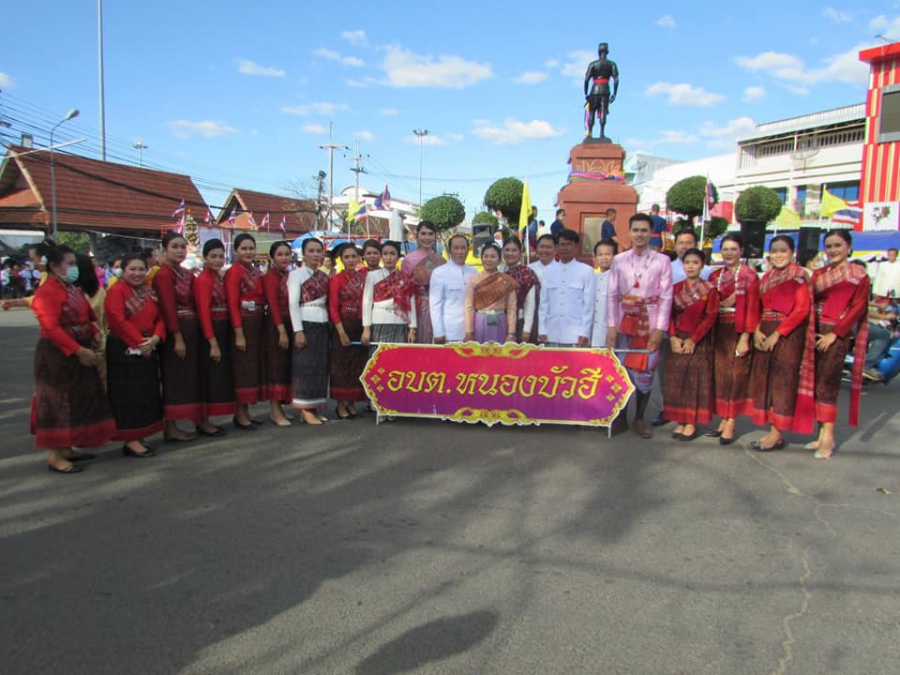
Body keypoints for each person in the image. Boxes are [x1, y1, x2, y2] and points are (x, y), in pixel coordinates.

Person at [30, 242, 116, 473]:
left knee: (76, 399)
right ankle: (54, 455)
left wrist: (95, 335)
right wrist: (78, 350)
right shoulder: (47, 291)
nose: (74, 267)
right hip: (57, 355)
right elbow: (51, 327)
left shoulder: (72, 289)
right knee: (56, 402)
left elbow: (88, 317)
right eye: (70, 264)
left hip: (80, 349)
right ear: (56, 267)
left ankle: (66, 447)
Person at [606, 215, 673, 438]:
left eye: (644, 230)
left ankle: (639, 418)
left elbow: (666, 297)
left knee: (645, 371)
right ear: (630, 232)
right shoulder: (619, 260)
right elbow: (611, 295)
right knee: (622, 370)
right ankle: (622, 417)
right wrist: (611, 326)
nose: (639, 234)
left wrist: (660, 329)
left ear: (651, 232)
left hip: (650, 324)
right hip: (625, 322)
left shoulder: (662, 261)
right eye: (635, 230)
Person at [746, 236, 815, 452]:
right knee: (765, 380)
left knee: (783, 382)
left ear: (792, 252)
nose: (778, 255)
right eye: (774, 251)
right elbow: (755, 307)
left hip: (788, 335)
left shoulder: (800, 277)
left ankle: (776, 433)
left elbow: (801, 310)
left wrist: (778, 333)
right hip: (764, 333)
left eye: (783, 250)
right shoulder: (766, 278)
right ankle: (774, 429)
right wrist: (756, 331)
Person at [807, 230, 871, 459]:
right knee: (814, 383)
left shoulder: (858, 274)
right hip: (814, 332)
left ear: (849, 246)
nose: (833, 250)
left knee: (828, 385)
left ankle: (829, 437)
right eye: (829, 246)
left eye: (838, 245)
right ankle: (820, 433)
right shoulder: (819, 274)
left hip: (836, 335)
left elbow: (858, 307)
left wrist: (835, 334)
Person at [104, 253, 166, 457]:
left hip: (148, 345)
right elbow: (117, 320)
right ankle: (130, 439)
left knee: (145, 393)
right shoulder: (116, 291)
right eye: (133, 269)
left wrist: (156, 338)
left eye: (141, 269)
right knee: (127, 395)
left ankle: (140, 435)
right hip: (124, 349)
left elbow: (160, 317)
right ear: (123, 270)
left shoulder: (149, 292)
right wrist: (140, 343)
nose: (138, 273)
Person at [706, 234, 760, 445]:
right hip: (719, 330)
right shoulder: (716, 275)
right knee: (720, 376)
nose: (729, 253)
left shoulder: (749, 276)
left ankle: (731, 421)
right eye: (725, 249)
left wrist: (745, 337)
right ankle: (723, 417)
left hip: (738, 331)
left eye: (733, 249)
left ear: (742, 251)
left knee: (736, 376)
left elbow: (754, 308)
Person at [153, 232, 204, 442]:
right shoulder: (164, 275)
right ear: (165, 250)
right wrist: (177, 337)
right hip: (176, 330)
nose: (180, 251)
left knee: (188, 377)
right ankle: (171, 426)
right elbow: (167, 308)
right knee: (173, 378)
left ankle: (187, 421)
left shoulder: (186, 273)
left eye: (183, 247)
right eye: (175, 247)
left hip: (191, 328)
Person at [663, 249, 718, 441]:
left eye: (695, 262)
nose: (691, 266)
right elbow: (667, 314)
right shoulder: (676, 288)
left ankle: (692, 422)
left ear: (702, 265)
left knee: (694, 381)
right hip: (677, 339)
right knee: (677, 381)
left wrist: (694, 339)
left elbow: (710, 317)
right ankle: (680, 420)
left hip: (698, 341)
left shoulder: (709, 289)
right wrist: (672, 337)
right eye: (687, 263)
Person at [225, 233, 266, 430]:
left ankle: (247, 411)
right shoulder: (234, 272)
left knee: (251, 369)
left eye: (251, 248)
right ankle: (239, 414)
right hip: (242, 323)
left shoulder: (256, 271)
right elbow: (232, 304)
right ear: (236, 251)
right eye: (244, 249)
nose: (249, 252)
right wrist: (239, 332)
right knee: (242, 369)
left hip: (256, 322)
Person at [288, 238, 331, 425]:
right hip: (305, 323)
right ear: (303, 254)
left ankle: (315, 406)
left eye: (318, 251)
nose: (315, 254)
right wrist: (298, 330)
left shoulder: (324, 276)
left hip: (322, 322)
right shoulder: (296, 275)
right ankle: (305, 409)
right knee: (304, 366)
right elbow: (292, 303)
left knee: (319, 367)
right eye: (311, 251)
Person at [194, 239, 236, 426]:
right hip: (211, 331)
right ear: (205, 257)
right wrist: (212, 342)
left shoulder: (220, 277)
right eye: (213, 256)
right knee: (208, 377)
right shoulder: (203, 280)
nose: (218, 260)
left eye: (221, 256)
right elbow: (203, 312)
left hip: (224, 327)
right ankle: (202, 421)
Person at [328, 243, 369, 419]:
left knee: (357, 364)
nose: (351, 260)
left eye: (354, 256)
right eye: (347, 257)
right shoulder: (337, 280)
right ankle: (340, 404)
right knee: (341, 365)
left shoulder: (364, 278)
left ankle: (352, 401)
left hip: (360, 325)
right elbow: (333, 306)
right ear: (341, 260)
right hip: (343, 326)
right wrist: (341, 332)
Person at [539, 229, 596, 347]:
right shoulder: (548, 271)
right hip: (552, 331)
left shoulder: (586, 271)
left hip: (575, 334)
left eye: (569, 244)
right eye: (562, 245)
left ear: (576, 246)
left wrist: (584, 331)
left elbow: (588, 306)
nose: (565, 248)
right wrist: (542, 329)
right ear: (557, 248)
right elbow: (543, 304)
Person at [361, 240, 417, 349]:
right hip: (378, 322)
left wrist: (412, 329)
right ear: (381, 256)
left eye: (392, 254)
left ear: (398, 257)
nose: (389, 257)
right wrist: (366, 328)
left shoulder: (406, 278)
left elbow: (411, 304)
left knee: (398, 360)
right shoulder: (372, 276)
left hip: (400, 323)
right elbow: (366, 303)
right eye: (385, 254)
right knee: (379, 358)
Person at [262, 241, 294, 427]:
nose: (284, 258)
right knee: (274, 366)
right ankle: (274, 410)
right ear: (272, 257)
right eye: (280, 254)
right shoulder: (270, 277)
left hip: (290, 323)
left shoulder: (290, 275)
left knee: (284, 366)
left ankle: (281, 408)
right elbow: (273, 305)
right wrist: (281, 330)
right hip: (276, 326)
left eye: (287, 254)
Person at [465, 241, 518, 343]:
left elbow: (512, 307)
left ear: (499, 260)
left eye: (493, 256)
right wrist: (469, 332)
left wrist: (511, 333)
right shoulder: (474, 279)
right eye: (486, 256)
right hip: (480, 323)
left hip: (500, 322)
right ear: (481, 258)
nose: (489, 260)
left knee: (499, 356)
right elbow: (469, 307)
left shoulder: (507, 280)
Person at [401, 221, 445, 344]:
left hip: (438, 308)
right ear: (417, 236)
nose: (427, 237)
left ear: (435, 236)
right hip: (417, 308)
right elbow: (404, 290)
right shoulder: (408, 260)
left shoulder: (441, 260)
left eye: (430, 234)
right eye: (423, 234)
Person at [430, 234, 478, 344]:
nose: (460, 252)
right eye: (456, 248)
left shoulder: (474, 272)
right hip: (449, 332)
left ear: (467, 249)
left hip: (471, 331)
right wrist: (438, 332)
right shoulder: (440, 272)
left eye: (463, 248)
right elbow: (435, 305)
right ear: (450, 250)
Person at [502, 237, 540, 342]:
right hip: (499, 323)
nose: (510, 253)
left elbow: (530, 304)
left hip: (519, 323)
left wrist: (526, 330)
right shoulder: (498, 272)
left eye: (514, 250)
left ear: (520, 253)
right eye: (507, 250)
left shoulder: (527, 274)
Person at [583, 42, 619, 139]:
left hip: (594, 89)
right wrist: (615, 93)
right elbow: (616, 79)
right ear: (607, 52)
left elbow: (586, 79)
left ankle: (590, 133)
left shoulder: (593, 64)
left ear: (598, 52)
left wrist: (586, 93)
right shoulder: (612, 64)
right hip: (605, 89)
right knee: (603, 110)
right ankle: (602, 133)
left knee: (592, 112)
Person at [863, 297, 898, 381]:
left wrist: (877, 305)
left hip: (851, 320)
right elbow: (860, 310)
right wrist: (884, 317)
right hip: (849, 322)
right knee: (884, 335)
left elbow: (861, 302)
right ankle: (866, 365)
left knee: (879, 329)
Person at [589, 239, 616, 347]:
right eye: (600, 255)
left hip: (609, 335)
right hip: (590, 334)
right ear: (595, 257)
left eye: (608, 254)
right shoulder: (591, 277)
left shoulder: (618, 278)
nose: (604, 257)